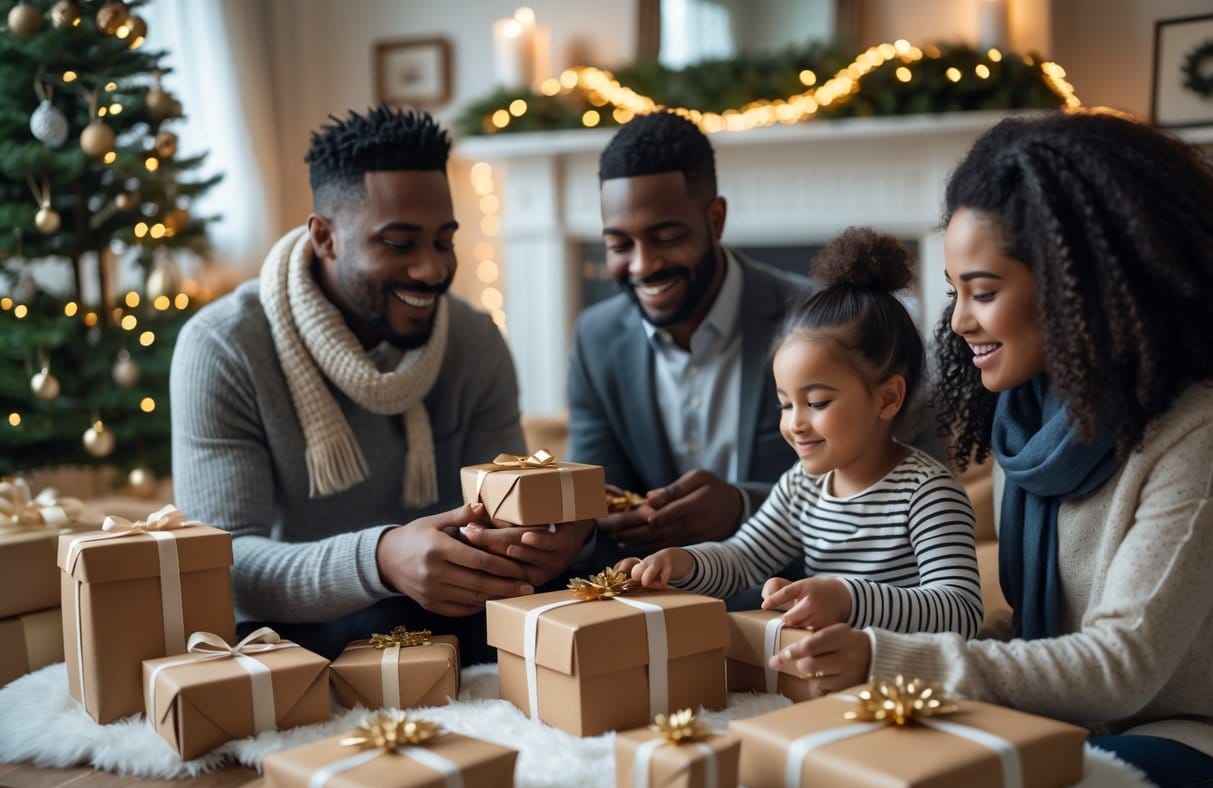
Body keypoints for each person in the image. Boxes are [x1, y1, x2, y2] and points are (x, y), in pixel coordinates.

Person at [771, 112, 1213, 788]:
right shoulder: (1025, 429)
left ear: (1077, 285)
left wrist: (887, 657)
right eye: (954, 292)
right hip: (1065, 721)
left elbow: (1120, 665)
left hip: (1184, 737)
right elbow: (1039, 635)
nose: (957, 323)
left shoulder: (1193, 434)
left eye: (982, 291)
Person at [170, 105, 594, 663]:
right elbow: (221, 568)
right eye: (399, 243)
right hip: (297, 637)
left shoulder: (475, 340)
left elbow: (501, 509)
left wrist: (544, 540)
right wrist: (379, 560)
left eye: (443, 241)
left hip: (454, 621)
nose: (432, 270)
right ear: (325, 238)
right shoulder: (223, 347)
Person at [617, 227, 982, 639]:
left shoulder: (928, 494)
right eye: (786, 404)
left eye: (818, 402)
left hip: (906, 675)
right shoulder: (801, 488)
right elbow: (742, 557)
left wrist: (847, 599)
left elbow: (961, 611)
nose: (795, 423)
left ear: (887, 399)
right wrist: (682, 564)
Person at [566, 110, 815, 564]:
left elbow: (873, 489)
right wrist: (592, 520)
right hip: (650, 591)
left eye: (666, 236)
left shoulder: (817, 319)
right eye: (619, 245)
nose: (643, 265)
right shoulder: (595, 338)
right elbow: (592, 495)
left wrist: (742, 507)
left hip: (793, 590)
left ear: (715, 220)